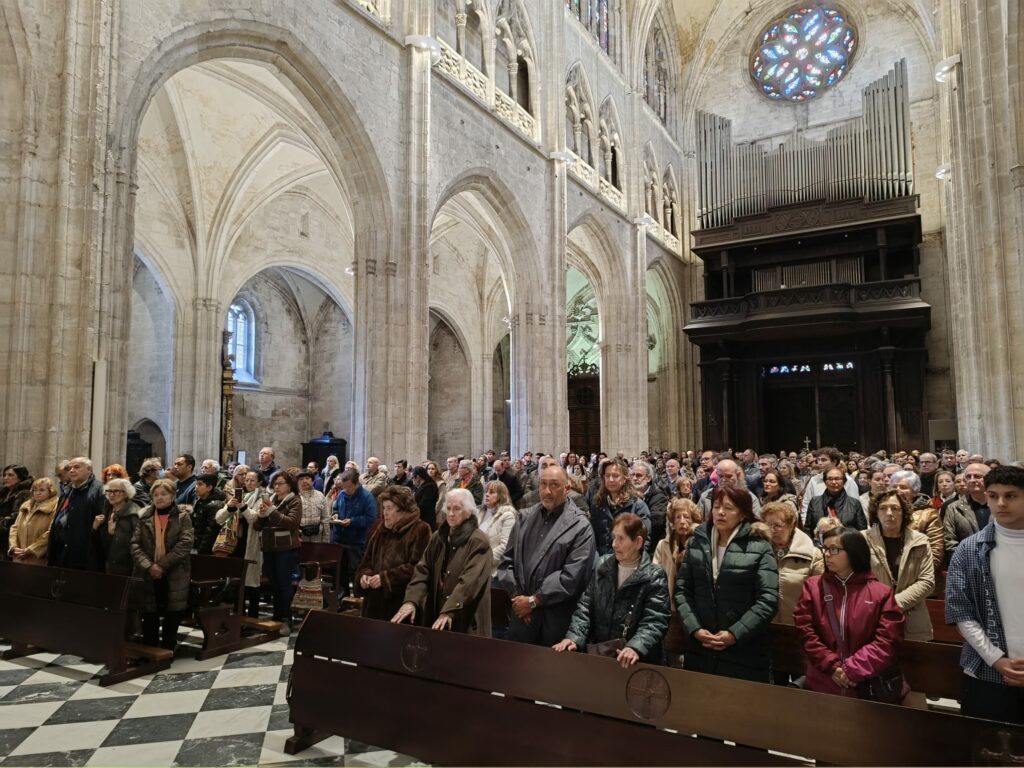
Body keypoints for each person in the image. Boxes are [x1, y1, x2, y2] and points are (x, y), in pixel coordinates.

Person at [675, 484, 779, 682]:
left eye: (728, 508)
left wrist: (734, 633)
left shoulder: (759, 546)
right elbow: (682, 590)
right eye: (716, 506)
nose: (720, 512)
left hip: (744, 651)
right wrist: (695, 629)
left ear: (743, 514)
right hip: (701, 649)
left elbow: (768, 599)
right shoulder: (698, 541)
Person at [945, 465, 1024, 724]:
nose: (1000, 503)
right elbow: (960, 611)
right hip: (987, 672)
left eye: (1010, 496)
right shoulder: (969, 549)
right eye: (993, 495)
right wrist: (997, 659)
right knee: (989, 754)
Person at [793, 527, 907, 698]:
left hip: (866, 685)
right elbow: (806, 632)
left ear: (854, 552)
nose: (827, 555)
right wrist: (832, 667)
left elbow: (887, 640)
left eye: (834, 549)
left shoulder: (880, 593)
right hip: (823, 681)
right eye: (824, 549)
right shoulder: (813, 587)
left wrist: (851, 670)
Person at [497, 464, 596, 646]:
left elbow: (572, 576)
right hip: (522, 617)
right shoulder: (524, 517)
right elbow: (507, 562)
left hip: (555, 619)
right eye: (543, 484)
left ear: (567, 488)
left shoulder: (580, 526)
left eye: (554, 485)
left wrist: (535, 601)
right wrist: (519, 599)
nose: (547, 491)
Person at [554, 513, 670, 668]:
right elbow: (585, 608)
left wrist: (635, 647)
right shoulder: (603, 565)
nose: (614, 544)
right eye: (614, 537)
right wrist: (574, 637)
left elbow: (655, 620)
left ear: (638, 542)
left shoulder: (654, 576)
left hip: (637, 664)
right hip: (602, 658)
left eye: (621, 538)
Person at [392, 488, 492, 635]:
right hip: (437, 614)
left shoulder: (478, 541)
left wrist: (449, 610)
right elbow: (422, 570)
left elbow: (470, 582)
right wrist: (411, 600)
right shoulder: (439, 536)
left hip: (466, 619)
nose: (451, 514)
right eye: (449, 508)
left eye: (457, 509)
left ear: (469, 512)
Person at [861, 490, 935, 641]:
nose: (889, 513)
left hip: (912, 618)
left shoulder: (920, 541)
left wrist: (893, 604)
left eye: (895, 508)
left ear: (904, 513)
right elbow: (856, 578)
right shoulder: (862, 539)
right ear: (876, 512)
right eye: (883, 508)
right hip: (872, 617)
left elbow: (927, 581)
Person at [130, 478, 194, 651]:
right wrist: (150, 566)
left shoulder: (183, 517)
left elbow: (185, 544)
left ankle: (167, 649)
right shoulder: (145, 516)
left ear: (173, 495)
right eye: (156, 494)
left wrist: (162, 566)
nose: (159, 498)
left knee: (172, 614)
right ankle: (150, 650)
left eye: (164, 494)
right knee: (149, 613)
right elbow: (135, 545)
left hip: (174, 573)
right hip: (148, 573)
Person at [355, 485, 431, 621]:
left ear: (403, 510)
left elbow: (418, 568)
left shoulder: (420, 530)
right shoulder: (381, 529)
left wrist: (386, 578)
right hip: (374, 603)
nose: (385, 513)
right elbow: (366, 560)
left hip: (400, 603)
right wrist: (364, 575)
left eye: (389, 508)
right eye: (383, 508)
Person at [653, 498, 703, 663]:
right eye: (677, 518)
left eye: (687, 517)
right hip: (670, 607)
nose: (682, 522)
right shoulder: (663, 545)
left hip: (695, 608)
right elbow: (655, 573)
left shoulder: (702, 542)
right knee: (673, 652)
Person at [253, 470, 302, 633]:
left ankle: (287, 619)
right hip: (269, 548)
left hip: (285, 549)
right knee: (274, 584)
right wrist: (260, 515)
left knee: (285, 585)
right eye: (275, 483)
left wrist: (271, 512)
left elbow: (291, 523)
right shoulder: (271, 500)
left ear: (289, 486)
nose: (277, 486)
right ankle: (276, 616)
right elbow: (257, 526)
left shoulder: (294, 500)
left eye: (281, 483)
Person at [762, 500, 823, 626]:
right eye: (768, 525)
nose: (772, 530)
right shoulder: (758, 551)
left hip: (798, 627)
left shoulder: (812, 555)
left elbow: (820, 597)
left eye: (778, 525)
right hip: (764, 626)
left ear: (791, 525)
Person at [218, 470, 264, 617]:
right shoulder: (238, 495)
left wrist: (243, 507)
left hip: (251, 542)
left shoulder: (262, 497)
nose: (248, 483)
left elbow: (255, 519)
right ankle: (238, 615)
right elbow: (219, 518)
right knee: (236, 581)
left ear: (259, 483)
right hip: (234, 542)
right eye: (247, 480)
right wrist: (230, 506)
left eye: (252, 480)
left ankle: (252, 616)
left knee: (252, 582)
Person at [48, 457, 105, 570]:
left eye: (77, 467)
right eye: (70, 468)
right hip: (62, 551)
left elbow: (101, 521)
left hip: (84, 554)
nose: (72, 470)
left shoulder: (99, 490)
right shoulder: (68, 490)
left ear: (89, 469)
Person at [330, 469, 378, 598]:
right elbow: (335, 508)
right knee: (340, 573)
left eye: (349, 487)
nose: (347, 490)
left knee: (355, 571)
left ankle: (357, 600)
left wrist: (352, 521)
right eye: (344, 487)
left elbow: (371, 518)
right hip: (339, 539)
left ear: (356, 483)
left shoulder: (367, 497)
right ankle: (341, 598)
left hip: (355, 541)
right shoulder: (342, 494)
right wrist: (335, 515)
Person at [590, 457, 651, 556]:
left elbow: (644, 540)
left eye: (615, 476)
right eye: (607, 476)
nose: (611, 479)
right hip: (601, 563)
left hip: (628, 561)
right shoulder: (597, 504)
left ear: (624, 479)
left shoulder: (638, 506)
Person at [891, 470, 944, 573]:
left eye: (903, 487)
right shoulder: (883, 511)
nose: (897, 490)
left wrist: (914, 575)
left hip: (917, 573)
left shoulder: (929, 514)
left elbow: (936, 551)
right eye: (894, 487)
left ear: (915, 492)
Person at [800, 447, 861, 523]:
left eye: (823, 460)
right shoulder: (814, 480)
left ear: (834, 462)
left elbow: (854, 505)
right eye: (818, 460)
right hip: (818, 526)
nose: (819, 463)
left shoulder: (848, 481)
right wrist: (805, 521)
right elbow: (806, 504)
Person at [96, 478, 143, 576]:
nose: (112, 494)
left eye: (116, 491)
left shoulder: (134, 514)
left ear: (126, 494)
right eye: (109, 491)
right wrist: (96, 528)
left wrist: (115, 533)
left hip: (128, 568)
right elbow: (102, 543)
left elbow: (139, 543)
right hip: (110, 565)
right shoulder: (107, 510)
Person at [7, 477, 58, 565]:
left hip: (38, 557)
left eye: (42, 490)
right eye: (35, 490)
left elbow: (51, 532)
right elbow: (14, 528)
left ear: (50, 491)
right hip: (19, 555)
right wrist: (14, 547)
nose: (37, 493)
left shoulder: (55, 507)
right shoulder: (26, 506)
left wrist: (31, 549)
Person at [944, 462, 990, 554]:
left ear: (989, 479)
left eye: (977, 476)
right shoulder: (954, 508)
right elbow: (950, 541)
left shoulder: (1000, 505)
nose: (972, 480)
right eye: (968, 477)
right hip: (967, 562)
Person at [805, 467, 868, 534]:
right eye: (830, 479)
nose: (834, 482)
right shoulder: (814, 501)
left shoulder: (854, 503)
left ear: (844, 481)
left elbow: (862, 530)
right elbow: (808, 529)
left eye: (837, 479)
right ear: (825, 482)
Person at [475, 480, 517, 578]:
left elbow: (505, 546)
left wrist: (483, 559)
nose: (487, 495)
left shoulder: (508, 515)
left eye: (492, 492)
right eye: (486, 491)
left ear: (501, 495)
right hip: (475, 565)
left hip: (493, 571)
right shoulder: (480, 512)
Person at [696, 459, 762, 520]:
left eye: (728, 476)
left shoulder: (749, 497)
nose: (724, 480)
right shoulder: (706, 496)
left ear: (737, 475)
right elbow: (697, 520)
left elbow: (756, 524)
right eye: (720, 476)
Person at [630, 461, 668, 547]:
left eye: (639, 475)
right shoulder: (627, 495)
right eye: (632, 475)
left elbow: (656, 522)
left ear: (648, 478)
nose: (635, 478)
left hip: (651, 545)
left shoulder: (658, 496)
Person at [0, 465, 34, 558]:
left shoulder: (25, 493)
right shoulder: (4, 492)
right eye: (5, 475)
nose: (6, 478)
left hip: (12, 538)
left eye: (10, 475)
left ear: (20, 477)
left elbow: (17, 517)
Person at [191, 473, 226, 555]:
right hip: (196, 543)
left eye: (200, 484)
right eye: (196, 484)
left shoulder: (215, 505)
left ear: (209, 487)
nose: (196, 487)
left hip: (207, 550)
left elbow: (210, 531)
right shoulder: (199, 501)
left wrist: (201, 550)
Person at [297, 470, 330, 543]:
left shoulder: (320, 495)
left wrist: (326, 540)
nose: (304, 481)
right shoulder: (295, 497)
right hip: (300, 538)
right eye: (301, 479)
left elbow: (325, 519)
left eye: (307, 478)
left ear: (312, 481)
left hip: (317, 537)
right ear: (297, 482)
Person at [410, 466, 439, 530]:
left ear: (418, 477)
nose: (412, 480)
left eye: (412, 478)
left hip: (426, 519)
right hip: (419, 518)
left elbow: (424, 505)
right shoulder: (418, 486)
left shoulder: (430, 487)